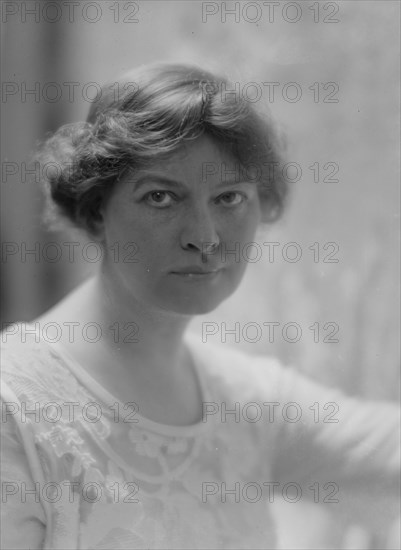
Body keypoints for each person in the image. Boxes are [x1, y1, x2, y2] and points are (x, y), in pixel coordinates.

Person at [1, 62, 399, 550]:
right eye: (162, 197)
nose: (205, 238)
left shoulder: (244, 400)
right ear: (96, 208)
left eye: (229, 197)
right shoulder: (14, 409)